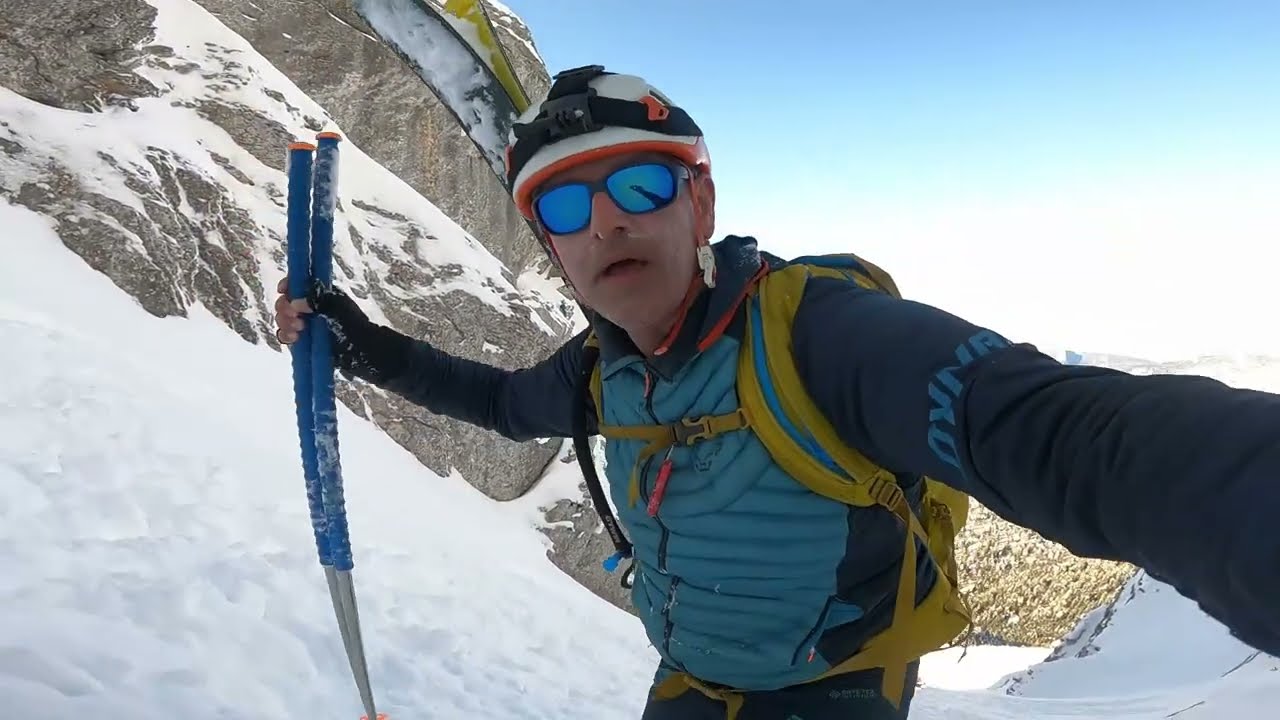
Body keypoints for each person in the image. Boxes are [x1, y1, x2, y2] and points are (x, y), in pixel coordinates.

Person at [274, 65, 1280, 720]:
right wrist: (357, 344)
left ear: (697, 202)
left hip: (835, 689)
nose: (606, 224)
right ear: (552, 248)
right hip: (690, 681)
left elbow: (1056, 436)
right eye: (568, 206)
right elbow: (498, 405)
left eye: (638, 186)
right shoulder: (604, 371)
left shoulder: (820, 338)